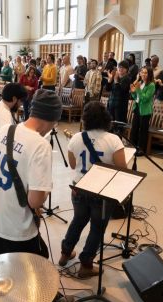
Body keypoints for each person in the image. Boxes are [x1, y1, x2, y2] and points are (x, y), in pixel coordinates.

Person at [0, 89, 62, 258]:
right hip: (19, 232)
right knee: (31, 274)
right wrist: (45, 190)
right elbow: (35, 200)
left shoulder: (5, 130)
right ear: (52, 119)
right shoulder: (40, 145)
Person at [59, 102, 127, 277]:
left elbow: (73, 165)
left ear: (85, 118)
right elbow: (122, 168)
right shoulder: (113, 139)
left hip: (79, 188)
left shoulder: (76, 138)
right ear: (106, 118)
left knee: (78, 220)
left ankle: (65, 253)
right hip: (102, 192)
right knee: (97, 227)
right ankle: (86, 264)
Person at [129, 66, 156, 153]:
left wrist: (137, 89)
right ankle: (132, 146)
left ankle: (141, 149)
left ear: (149, 74)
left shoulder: (151, 85)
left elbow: (145, 99)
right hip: (137, 107)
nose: (143, 74)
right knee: (134, 128)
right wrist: (133, 92)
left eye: (145, 73)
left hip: (145, 110)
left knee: (143, 130)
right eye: (142, 72)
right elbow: (136, 97)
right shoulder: (140, 82)